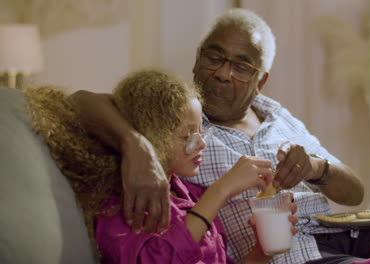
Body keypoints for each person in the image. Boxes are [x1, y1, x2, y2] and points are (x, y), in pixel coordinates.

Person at [70, 8, 370, 264]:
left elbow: (356, 193)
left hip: (348, 229)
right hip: (293, 255)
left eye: (241, 66)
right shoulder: (175, 121)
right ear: (197, 57)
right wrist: (134, 143)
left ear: (261, 81)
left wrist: (315, 167)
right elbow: (81, 102)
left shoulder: (278, 115)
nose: (223, 73)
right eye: (214, 56)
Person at [25, 69, 298, 263]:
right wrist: (222, 189)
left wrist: (260, 253)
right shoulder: (117, 207)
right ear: (152, 136)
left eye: (202, 132)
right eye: (187, 136)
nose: (201, 144)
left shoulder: (188, 194)